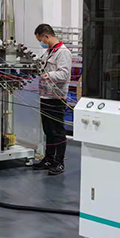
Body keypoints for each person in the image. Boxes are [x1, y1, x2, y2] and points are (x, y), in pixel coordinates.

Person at [33, 23, 72, 175]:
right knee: (48, 130)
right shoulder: (49, 52)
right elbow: (41, 66)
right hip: (45, 96)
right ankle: (48, 159)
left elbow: (64, 74)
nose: (41, 43)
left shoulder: (63, 52)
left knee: (57, 132)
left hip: (56, 98)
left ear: (46, 36)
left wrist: (48, 75)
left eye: (40, 40)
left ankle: (59, 162)